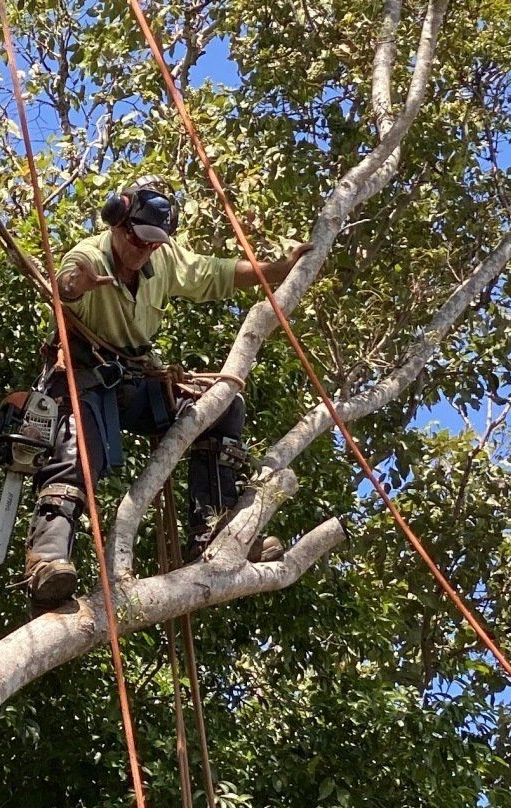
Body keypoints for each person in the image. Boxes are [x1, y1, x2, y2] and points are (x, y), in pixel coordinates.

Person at [24, 180, 306, 610]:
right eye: (138, 239)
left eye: (154, 243)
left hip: (133, 380)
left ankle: (213, 527)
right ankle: (47, 560)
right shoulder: (89, 256)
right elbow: (67, 282)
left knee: (222, 407)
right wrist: (76, 285)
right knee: (77, 453)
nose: (144, 251)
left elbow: (217, 273)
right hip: (84, 378)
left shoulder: (162, 258)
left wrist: (278, 270)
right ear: (117, 223)